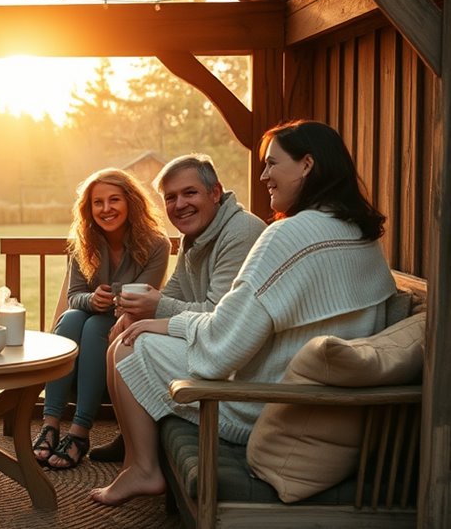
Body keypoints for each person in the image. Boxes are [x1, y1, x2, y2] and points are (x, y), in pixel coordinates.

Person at [90, 120, 397, 506]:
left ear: (307, 165)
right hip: (315, 398)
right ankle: (138, 459)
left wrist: (166, 322)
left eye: (272, 164)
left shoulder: (288, 236)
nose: (264, 175)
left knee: (131, 346)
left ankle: (143, 469)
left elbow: (223, 346)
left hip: (264, 401)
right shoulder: (359, 235)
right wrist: (161, 317)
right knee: (136, 333)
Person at [89, 154, 266, 462]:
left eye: (189, 193)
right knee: (121, 336)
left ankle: (142, 462)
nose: (179, 204)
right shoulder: (193, 237)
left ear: (215, 192)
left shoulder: (241, 232)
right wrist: (135, 312)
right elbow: (173, 292)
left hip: (239, 364)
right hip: (210, 341)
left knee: (132, 344)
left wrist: (156, 306)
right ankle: (130, 434)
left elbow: (219, 313)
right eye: (170, 198)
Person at [33, 168, 171, 470]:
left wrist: (105, 302)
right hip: (89, 322)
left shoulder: (157, 244)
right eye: (98, 202)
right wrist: (92, 299)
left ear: (130, 202)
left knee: (95, 324)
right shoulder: (84, 243)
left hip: (129, 328)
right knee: (71, 318)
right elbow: (75, 295)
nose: (106, 209)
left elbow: (142, 299)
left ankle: (80, 432)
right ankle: (50, 424)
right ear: (89, 208)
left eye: (114, 200)